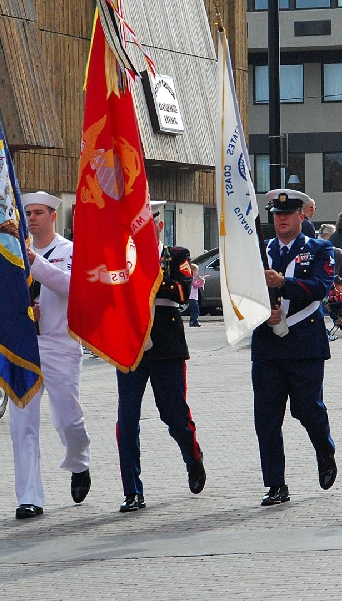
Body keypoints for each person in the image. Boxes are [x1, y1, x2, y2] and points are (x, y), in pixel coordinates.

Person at [8, 191, 92, 520]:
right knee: (22, 425)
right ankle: (29, 497)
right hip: (24, 346)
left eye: (39, 212)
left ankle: (79, 462)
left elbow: (73, 287)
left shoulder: (69, 251)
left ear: (53, 216)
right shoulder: (11, 254)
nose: (32, 218)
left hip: (60, 343)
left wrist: (34, 262)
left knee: (69, 419)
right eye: (27, 212)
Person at [115, 212, 205, 513]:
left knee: (174, 415)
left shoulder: (175, 255)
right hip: (131, 345)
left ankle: (192, 457)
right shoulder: (119, 256)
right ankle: (132, 491)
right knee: (126, 421)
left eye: (145, 221)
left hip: (166, 346)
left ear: (159, 225)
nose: (139, 228)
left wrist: (146, 277)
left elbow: (181, 292)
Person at [252, 189, 338, 507]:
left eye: (288, 213)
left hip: (304, 344)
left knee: (307, 409)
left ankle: (324, 450)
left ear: (301, 216)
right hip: (267, 347)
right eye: (277, 214)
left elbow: (321, 287)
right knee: (267, 419)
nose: (282, 219)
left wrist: (283, 284)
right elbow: (242, 294)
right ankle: (275, 484)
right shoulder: (259, 251)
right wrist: (263, 314)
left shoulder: (319, 248)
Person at [188, 262, 205, 327]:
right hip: (192, 297)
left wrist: (200, 281)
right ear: (193, 271)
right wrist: (201, 282)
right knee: (196, 310)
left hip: (193, 297)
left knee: (193, 310)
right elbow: (195, 285)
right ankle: (194, 321)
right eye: (196, 271)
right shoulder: (192, 278)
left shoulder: (192, 279)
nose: (197, 273)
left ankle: (192, 321)